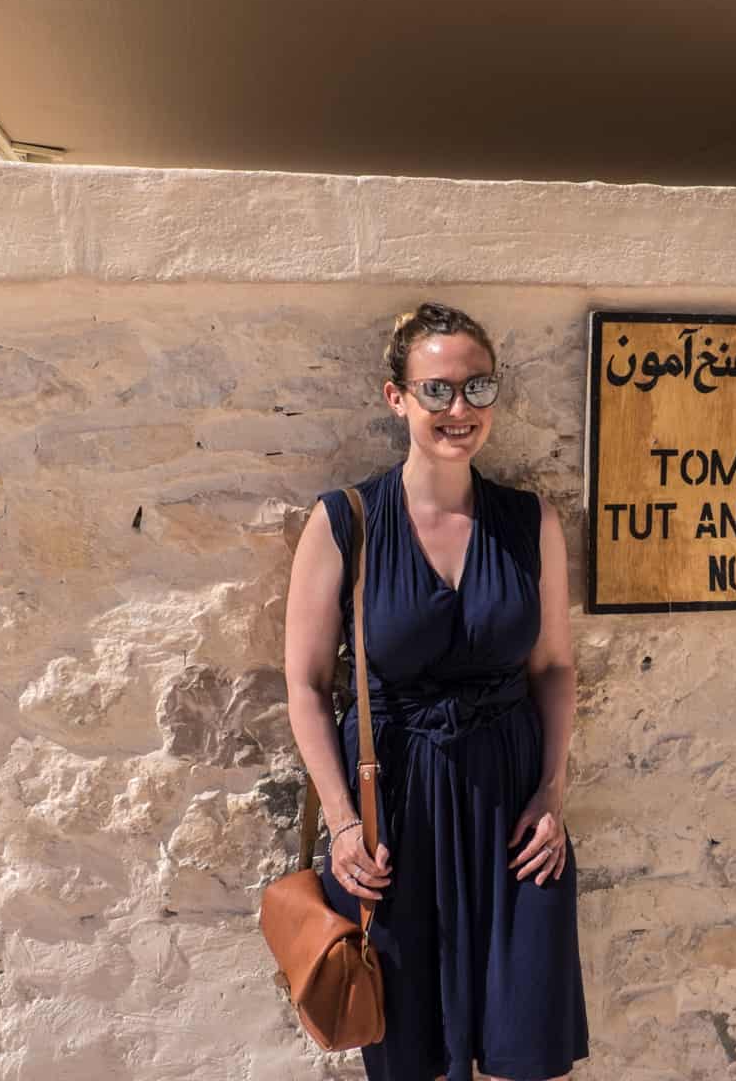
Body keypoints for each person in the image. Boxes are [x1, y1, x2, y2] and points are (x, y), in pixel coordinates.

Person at [282, 301, 589, 1081]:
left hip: (513, 806)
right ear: (397, 399)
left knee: (529, 1044)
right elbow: (308, 685)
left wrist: (552, 793)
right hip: (397, 812)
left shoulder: (528, 521)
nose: (460, 410)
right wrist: (344, 826)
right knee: (411, 1045)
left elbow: (552, 667)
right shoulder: (345, 520)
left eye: (478, 389)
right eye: (438, 391)